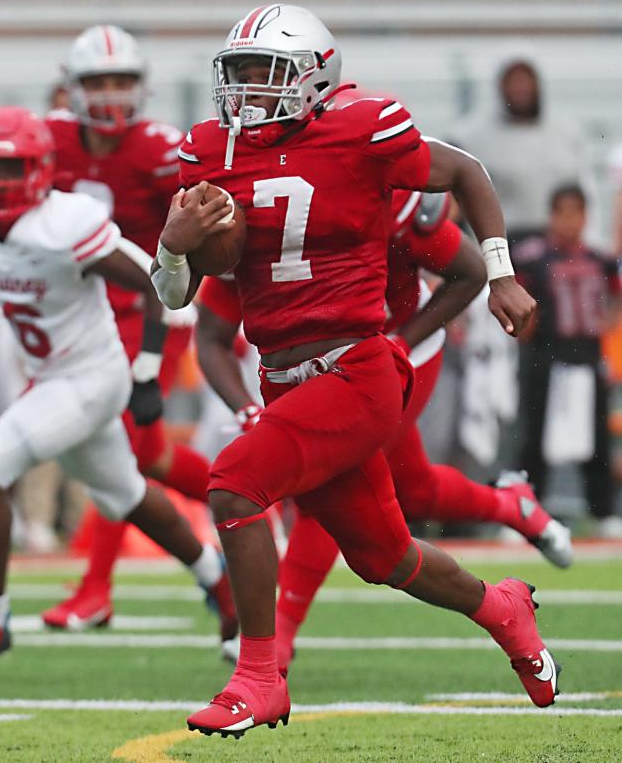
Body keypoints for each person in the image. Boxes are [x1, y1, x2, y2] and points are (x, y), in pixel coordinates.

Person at [150, 5, 555, 737]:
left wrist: (501, 274)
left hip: (359, 370)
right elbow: (182, 293)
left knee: (235, 480)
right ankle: (503, 608)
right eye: (237, 74)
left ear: (313, 77)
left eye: (263, 75)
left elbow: (465, 168)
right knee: (386, 557)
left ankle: (259, 675)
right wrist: (173, 249)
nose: (246, 92)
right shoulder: (213, 151)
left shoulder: (362, 128)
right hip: (282, 374)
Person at [196, 185, 573, 669]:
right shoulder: (263, 204)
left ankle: (278, 639)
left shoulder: (375, 193)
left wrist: (400, 340)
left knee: (328, 484)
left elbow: (467, 264)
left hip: (394, 353)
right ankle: (510, 506)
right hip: (316, 371)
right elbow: (210, 334)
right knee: (412, 492)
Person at [0, 107, 235, 667]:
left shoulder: (66, 223)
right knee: (124, 493)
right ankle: (219, 580)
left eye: (11, 169)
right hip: (49, 378)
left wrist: (146, 372)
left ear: (41, 168)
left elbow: (152, 285)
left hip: (92, 376)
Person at [40, 25, 216, 631]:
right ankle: (254, 491)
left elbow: (201, 224)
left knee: (122, 451)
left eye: (121, 81)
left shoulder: (161, 149)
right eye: (98, 82)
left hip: (153, 314)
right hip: (84, 314)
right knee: (151, 457)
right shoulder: (50, 139)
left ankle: (96, 587)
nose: (111, 93)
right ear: (72, 88)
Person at [516, 184, 622, 537]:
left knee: (596, 437)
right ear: (552, 215)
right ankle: (528, 511)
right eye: (563, 212)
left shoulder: (600, 260)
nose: (570, 221)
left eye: (577, 213)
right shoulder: (533, 257)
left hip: (588, 356)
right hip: (548, 355)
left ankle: (603, 511)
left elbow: (615, 297)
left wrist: (610, 321)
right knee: (536, 437)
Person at [451, 58, 582, 245]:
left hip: (555, 246)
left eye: (525, 80)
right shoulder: (473, 136)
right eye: (514, 81)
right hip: (503, 242)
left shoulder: (567, 132)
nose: (520, 88)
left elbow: (583, 190)